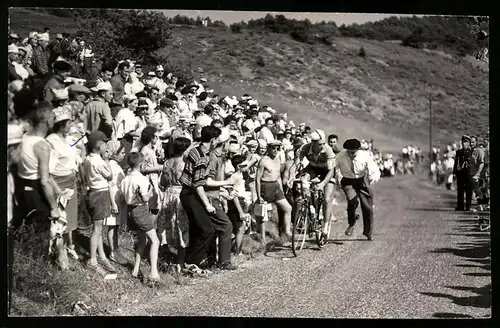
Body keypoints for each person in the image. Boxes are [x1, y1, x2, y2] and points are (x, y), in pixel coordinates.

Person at [179, 126, 230, 276]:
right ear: (213, 140)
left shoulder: (196, 149)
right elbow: (198, 184)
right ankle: (191, 262)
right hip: (191, 193)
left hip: (189, 193)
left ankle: (191, 263)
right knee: (207, 230)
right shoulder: (201, 156)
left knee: (197, 229)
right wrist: (207, 205)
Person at [14, 102, 61, 232]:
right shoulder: (42, 146)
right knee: (40, 232)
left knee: (27, 228)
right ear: (48, 121)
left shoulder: (24, 137)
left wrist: (58, 189)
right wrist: (54, 207)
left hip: (22, 187)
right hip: (37, 191)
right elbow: (44, 181)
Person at [120, 152, 162, 284]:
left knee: (142, 240)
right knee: (155, 241)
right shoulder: (142, 179)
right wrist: (150, 190)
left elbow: (123, 196)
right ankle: (154, 273)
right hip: (141, 210)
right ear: (141, 164)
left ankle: (136, 269)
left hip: (129, 211)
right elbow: (144, 198)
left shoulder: (125, 179)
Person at [46, 107, 81, 261]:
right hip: (59, 183)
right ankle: (59, 254)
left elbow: (75, 154)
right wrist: (58, 189)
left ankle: (69, 245)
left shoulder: (67, 138)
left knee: (70, 218)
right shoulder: (51, 141)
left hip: (71, 181)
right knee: (59, 219)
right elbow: (48, 170)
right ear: (60, 124)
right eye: (68, 123)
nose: (70, 126)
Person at [82, 130, 117, 274]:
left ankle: (101, 256)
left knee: (98, 227)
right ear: (98, 146)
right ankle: (93, 260)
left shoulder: (88, 159)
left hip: (91, 193)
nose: (106, 147)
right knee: (97, 230)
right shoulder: (100, 161)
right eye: (104, 144)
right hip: (101, 194)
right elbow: (110, 176)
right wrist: (107, 160)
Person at [293, 129, 337, 244]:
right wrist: (291, 175)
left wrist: (322, 184)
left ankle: (325, 228)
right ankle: (310, 208)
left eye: (324, 143)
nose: (323, 146)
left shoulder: (328, 150)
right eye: (320, 144)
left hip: (327, 172)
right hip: (313, 168)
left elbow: (331, 171)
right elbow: (297, 162)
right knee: (303, 181)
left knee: (327, 199)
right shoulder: (305, 148)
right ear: (313, 143)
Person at [204, 128, 238, 270]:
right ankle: (224, 261)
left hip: (214, 196)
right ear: (225, 143)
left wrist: (224, 191)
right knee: (226, 225)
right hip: (209, 198)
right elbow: (207, 182)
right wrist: (227, 183)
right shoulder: (214, 157)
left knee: (214, 229)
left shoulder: (219, 157)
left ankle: (212, 260)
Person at [335, 138, 380, 241]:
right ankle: (352, 223)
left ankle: (368, 232)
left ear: (358, 150)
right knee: (351, 201)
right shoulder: (341, 155)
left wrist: (372, 178)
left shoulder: (365, 156)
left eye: (353, 152)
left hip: (362, 180)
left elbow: (373, 169)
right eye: (348, 152)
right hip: (348, 181)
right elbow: (335, 167)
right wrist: (338, 176)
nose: (350, 155)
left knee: (367, 207)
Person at [158, 137, 192, 272]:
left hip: (168, 194)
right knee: (181, 226)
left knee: (167, 225)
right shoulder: (184, 164)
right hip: (179, 195)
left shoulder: (167, 162)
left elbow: (162, 182)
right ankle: (180, 262)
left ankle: (166, 257)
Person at [255, 140, 292, 244]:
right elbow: (257, 179)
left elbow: (278, 176)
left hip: (276, 186)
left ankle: (287, 232)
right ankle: (262, 238)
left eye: (277, 148)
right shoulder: (263, 160)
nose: (275, 150)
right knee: (263, 212)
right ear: (268, 148)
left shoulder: (277, 160)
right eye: (273, 148)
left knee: (288, 208)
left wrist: (281, 190)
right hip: (265, 186)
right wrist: (259, 196)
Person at [103, 140, 128, 266]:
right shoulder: (111, 166)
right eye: (122, 152)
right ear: (114, 153)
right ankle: (112, 251)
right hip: (114, 201)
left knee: (116, 226)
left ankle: (116, 248)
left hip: (118, 200)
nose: (124, 155)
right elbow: (109, 185)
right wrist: (113, 203)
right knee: (112, 225)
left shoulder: (116, 165)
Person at [225, 154, 252, 256]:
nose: (246, 166)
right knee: (240, 227)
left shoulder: (240, 175)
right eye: (244, 165)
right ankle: (238, 251)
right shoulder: (235, 176)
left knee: (241, 227)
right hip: (237, 202)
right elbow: (234, 195)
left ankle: (237, 248)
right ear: (238, 166)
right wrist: (240, 211)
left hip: (241, 201)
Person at [453, 135, 473, 211]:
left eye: (466, 142)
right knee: (460, 190)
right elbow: (456, 163)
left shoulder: (471, 152)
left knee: (469, 190)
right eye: (463, 142)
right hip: (460, 174)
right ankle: (460, 206)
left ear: (468, 143)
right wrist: (454, 173)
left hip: (469, 174)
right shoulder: (458, 152)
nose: (464, 144)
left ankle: (468, 206)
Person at [469, 136, 487, 205]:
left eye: (473, 142)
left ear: (476, 142)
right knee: (475, 190)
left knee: (479, 190)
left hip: (478, 174)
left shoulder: (479, 151)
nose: (471, 143)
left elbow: (481, 163)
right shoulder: (471, 151)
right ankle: (481, 205)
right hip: (472, 173)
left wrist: (477, 174)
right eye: (470, 142)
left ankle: (483, 204)